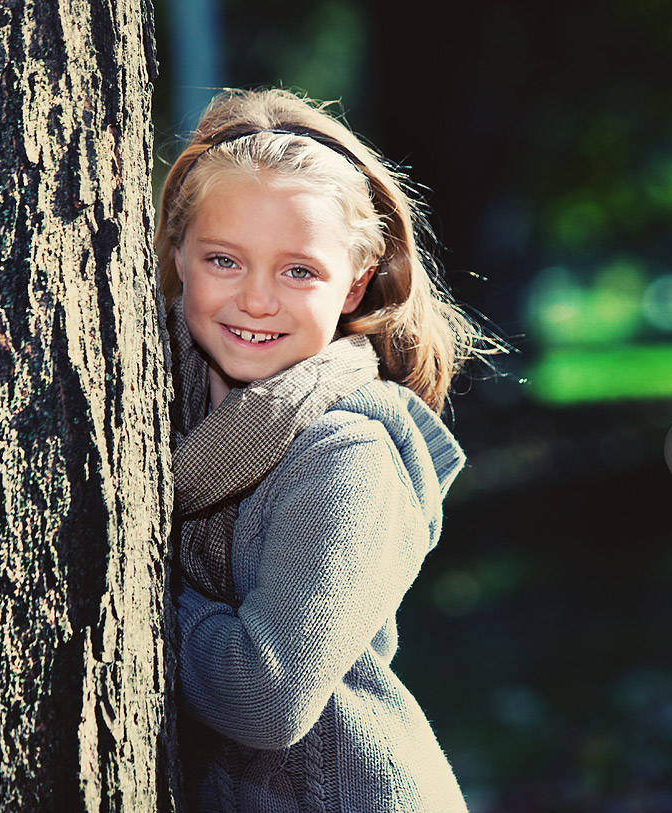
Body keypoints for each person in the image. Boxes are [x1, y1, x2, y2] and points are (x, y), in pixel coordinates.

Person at [156, 88, 493, 812]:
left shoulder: (351, 458)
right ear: (177, 252)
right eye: (224, 260)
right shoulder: (160, 401)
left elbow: (267, 694)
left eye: (299, 270)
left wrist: (126, 579)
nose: (256, 299)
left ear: (356, 282)